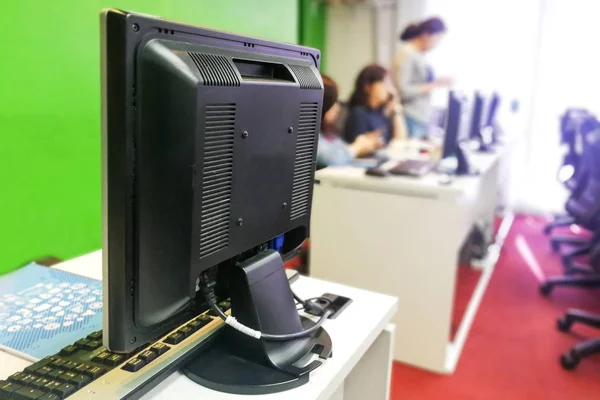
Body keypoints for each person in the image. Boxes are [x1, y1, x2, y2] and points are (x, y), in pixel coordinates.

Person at [393, 17, 452, 139]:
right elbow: (403, 90)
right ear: (426, 35)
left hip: (420, 116)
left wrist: (437, 82)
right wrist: (434, 85)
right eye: (437, 40)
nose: (436, 45)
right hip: (410, 115)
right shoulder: (407, 53)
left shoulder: (419, 55)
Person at [317, 75, 383, 168]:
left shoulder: (330, 131)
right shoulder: (308, 135)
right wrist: (357, 147)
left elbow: (340, 151)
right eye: (333, 101)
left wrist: (362, 146)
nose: (338, 107)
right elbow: (330, 158)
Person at [343, 65, 407, 146]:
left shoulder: (381, 113)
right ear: (368, 86)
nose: (389, 88)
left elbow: (400, 141)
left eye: (389, 83)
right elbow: (358, 149)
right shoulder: (358, 113)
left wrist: (396, 109)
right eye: (384, 82)